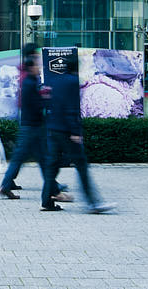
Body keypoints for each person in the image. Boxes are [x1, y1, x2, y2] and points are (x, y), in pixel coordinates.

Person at [42, 50, 115, 214]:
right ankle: (93, 203)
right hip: (67, 131)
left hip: (53, 128)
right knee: (81, 165)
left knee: (52, 166)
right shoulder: (73, 82)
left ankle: (46, 201)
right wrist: (75, 131)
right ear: (77, 67)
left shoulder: (55, 80)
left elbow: (50, 103)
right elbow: (72, 107)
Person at [0, 44, 50, 200]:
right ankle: (6, 185)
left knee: (38, 157)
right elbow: (29, 101)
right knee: (25, 156)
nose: (38, 61)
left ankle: (52, 185)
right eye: (36, 56)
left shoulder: (27, 75)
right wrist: (44, 97)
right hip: (31, 123)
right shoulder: (27, 78)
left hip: (31, 122)